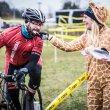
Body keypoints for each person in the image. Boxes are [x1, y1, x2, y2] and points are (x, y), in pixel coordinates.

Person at [41, 2, 110, 110]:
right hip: (92, 82)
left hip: (108, 82)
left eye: (85, 17)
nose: (83, 20)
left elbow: (105, 54)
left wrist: (91, 50)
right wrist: (50, 38)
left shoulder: (108, 34)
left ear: (94, 19)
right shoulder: (86, 37)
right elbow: (68, 46)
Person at [0, 8, 45, 110]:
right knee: (13, 97)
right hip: (12, 63)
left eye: (40, 24)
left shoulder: (38, 39)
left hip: (30, 62)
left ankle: (29, 98)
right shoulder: (9, 34)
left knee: (37, 70)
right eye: (35, 23)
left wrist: (24, 70)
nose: (38, 27)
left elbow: (34, 60)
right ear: (27, 21)